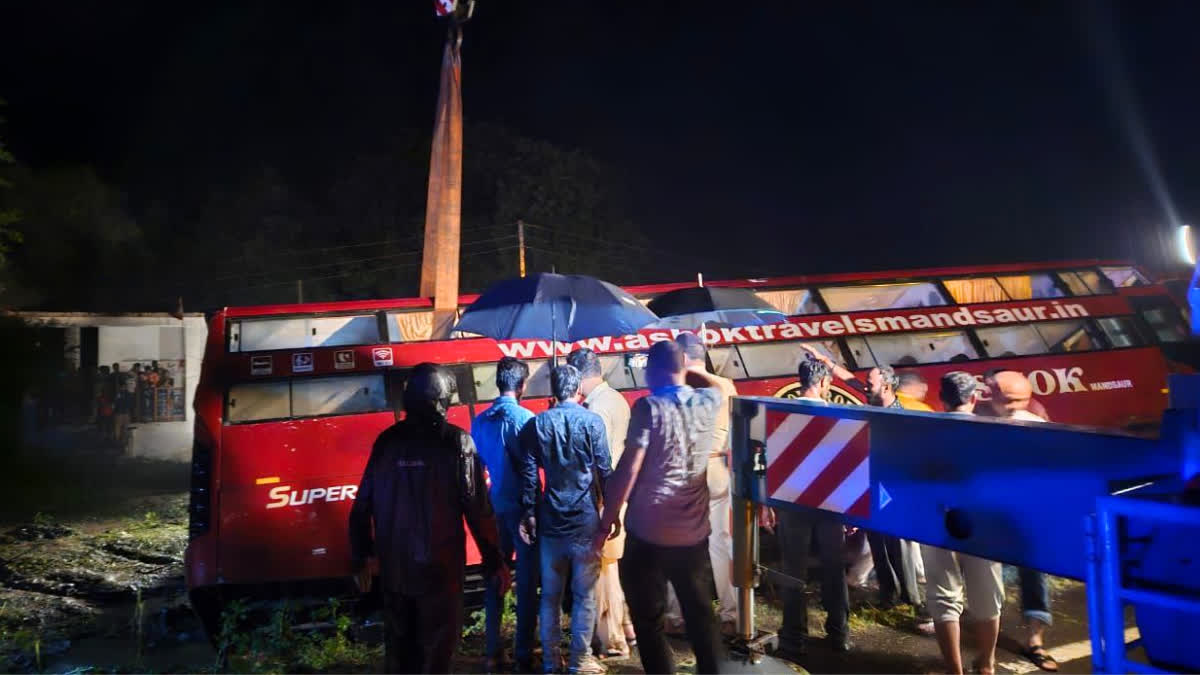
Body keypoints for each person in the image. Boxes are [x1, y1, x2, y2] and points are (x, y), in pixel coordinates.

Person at [348, 362, 507, 674]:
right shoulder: (457, 442)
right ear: (442, 400)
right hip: (441, 569)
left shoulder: (387, 442)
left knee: (400, 653)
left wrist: (362, 555)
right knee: (437, 654)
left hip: (395, 569)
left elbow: (362, 504)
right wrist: (494, 559)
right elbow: (478, 507)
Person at [593, 340, 727, 675]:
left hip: (648, 530)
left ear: (652, 370)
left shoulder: (648, 408)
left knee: (648, 620)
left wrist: (609, 518)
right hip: (693, 534)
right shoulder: (710, 401)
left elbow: (629, 468)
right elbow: (717, 384)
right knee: (699, 616)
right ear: (683, 365)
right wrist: (687, 366)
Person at [798, 345, 921, 610]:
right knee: (877, 544)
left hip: (894, 488)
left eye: (870, 384)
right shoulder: (873, 403)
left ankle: (911, 599)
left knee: (898, 546)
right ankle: (888, 594)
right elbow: (849, 378)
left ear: (887, 387)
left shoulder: (902, 416)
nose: (864, 387)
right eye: (866, 383)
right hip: (872, 485)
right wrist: (825, 361)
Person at [519, 364, 611, 675]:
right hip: (585, 520)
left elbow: (530, 476)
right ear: (578, 390)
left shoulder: (537, 424)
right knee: (585, 596)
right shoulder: (593, 422)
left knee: (551, 596)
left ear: (553, 391)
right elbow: (605, 471)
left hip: (551, 521)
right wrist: (610, 511)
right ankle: (579, 661)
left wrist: (529, 513)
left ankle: (549, 662)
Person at [770, 355, 854, 660]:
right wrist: (851, 509)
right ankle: (839, 633)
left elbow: (773, 465)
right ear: (822, 383)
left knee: (794, 570)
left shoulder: (781, 414)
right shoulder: (840, 416)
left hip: (792, 503)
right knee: (834, 569)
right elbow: (848, 467)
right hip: (830, 505)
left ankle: (793, 637)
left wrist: (770, 505)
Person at [924, 371, 1005, 675]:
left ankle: (954, 670)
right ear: (973, 399)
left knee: (943, 595)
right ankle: (986, 664)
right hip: (983, 520)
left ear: (941, 399)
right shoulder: (992, 432)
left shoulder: (927, 432)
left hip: (937, 518)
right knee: (987, 594)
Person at [659, 332, 740, 634]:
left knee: (679, 544)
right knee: (722, 545)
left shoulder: (678, 384)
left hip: (687, 474)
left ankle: (676, 615)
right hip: (719, 469)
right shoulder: (727, 386)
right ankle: (732, 615)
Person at [567, 348, 635, 659]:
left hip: (602, 496)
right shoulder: (617, 399)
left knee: (602, 570)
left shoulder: (595, 410)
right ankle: (626, 627)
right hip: (618, 492)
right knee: (613, 566)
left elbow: (599, 460)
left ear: (579, 377)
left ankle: (613, 639)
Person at [471, 357, 538, 673]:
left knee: (495, 577)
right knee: (526, 580)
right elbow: (529, 470)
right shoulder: (526, 418)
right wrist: (531, 511)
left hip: (494, 506)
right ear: (522, 385)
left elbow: (479, 469)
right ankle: (524, 650)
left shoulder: (480, 421)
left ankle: (492, 651)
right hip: (521, 511)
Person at [990, 370, 1059, 672]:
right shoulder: (1044, 428)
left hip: (1008, 518)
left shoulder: (991, 430)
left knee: (996, 578)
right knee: (1032, 580)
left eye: (990, 391)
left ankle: (986, 641)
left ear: (1000, 398)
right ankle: (1034, 642)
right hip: (1031, 519)